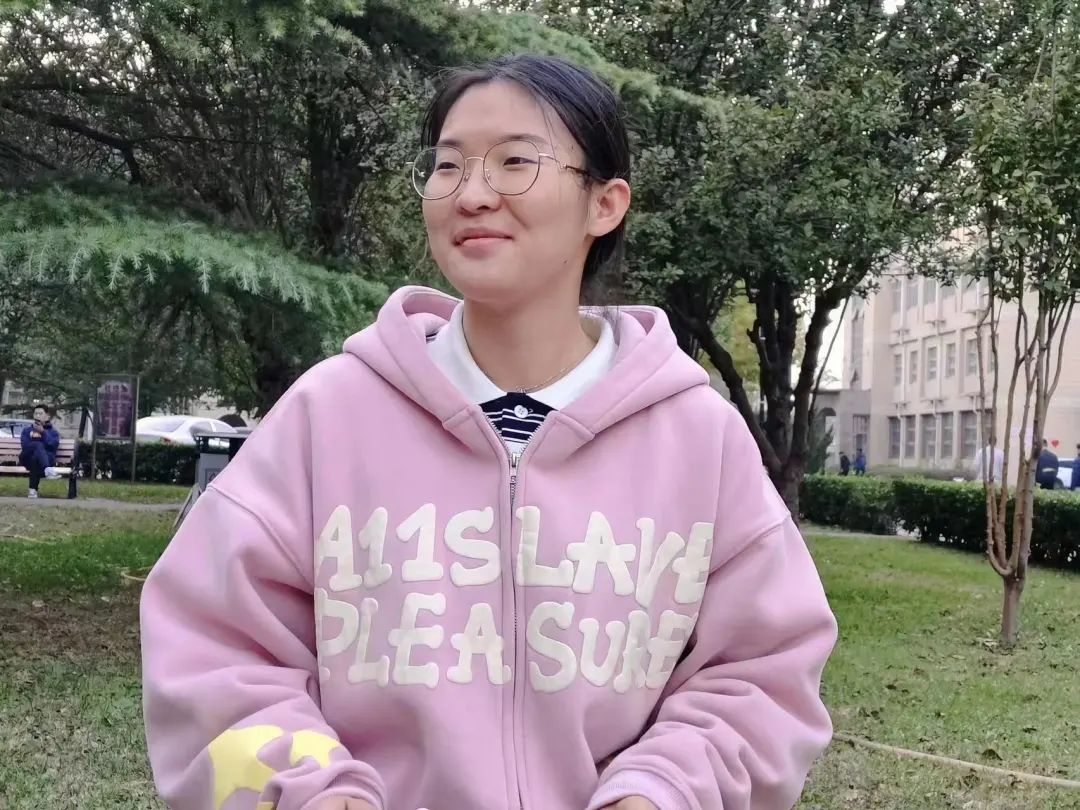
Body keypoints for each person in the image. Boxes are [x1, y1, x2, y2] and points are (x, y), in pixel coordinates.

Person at [140, 55, 837, 810]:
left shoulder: (699, 438)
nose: (471, 194)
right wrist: (314, 792)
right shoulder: (328, 414)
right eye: (447, 166)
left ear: (604, 204)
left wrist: (662, 791)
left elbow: (761, 675)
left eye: (514, 162)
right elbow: (212, 650)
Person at [19, 404, 61, 499]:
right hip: (26, 458)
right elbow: (25, 446)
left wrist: (43, 432)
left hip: (45, 459)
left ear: (47, 416)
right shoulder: (27, 430)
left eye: (40, 413)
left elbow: (53, 445)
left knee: (35, 459)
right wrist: (37, 444)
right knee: (37, 445)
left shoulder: (53, 432)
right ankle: (47, 470)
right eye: (36, 413)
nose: (38, 416)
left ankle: (32, 491)